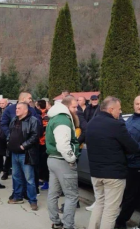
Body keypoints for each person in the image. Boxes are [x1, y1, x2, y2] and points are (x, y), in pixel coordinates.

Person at [86, 97, 140, 229]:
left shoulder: (92, 123)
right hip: (113, 175)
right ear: (111, 109)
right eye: (119, 109)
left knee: (99, 204)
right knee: (111, 211)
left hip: (95, 174)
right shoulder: (116, 125)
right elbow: (133, 147)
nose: (120, 112)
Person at [45, 96, 80, 229]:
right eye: (74, 107)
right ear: (66, 106)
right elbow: (63, 145)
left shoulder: (55, 117)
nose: (76, 110)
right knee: (71, 196)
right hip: (62, 160)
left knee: (53, 193)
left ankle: (56, 221)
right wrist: (71, 158)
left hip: (53, 159)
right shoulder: (63, 119)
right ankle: (68, 225)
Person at [1, 92, 42, 181]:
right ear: (23, 98)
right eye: (29, 98)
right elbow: (4, 124)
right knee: (16, 174)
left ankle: (30, 193)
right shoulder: (9, 110)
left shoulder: (32, 110)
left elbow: (37, 127)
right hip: (14, 146)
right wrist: (9, 137)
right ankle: (16, 192)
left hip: (27, 148)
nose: (31, 100)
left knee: (28, 175)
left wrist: (27, 143)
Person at [7, 103, 39, 211]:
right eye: (16, 108)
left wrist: (23, 146)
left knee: (29, 179)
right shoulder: (14, 119)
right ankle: (18, 196)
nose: (16, 110)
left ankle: (33, 200)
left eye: (19, 108)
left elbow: (35, 136)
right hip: (14, 153)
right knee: (16, 176)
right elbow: (10, 132)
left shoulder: (33, 120)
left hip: (26, 154)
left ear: (25, 110)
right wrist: (9, 141)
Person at [115, 96, 140, 229]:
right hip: (131, 165)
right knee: (130, 196)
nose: (139, 106)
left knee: (132, 197)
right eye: (137, 103)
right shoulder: (129, 120)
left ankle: (121, 221)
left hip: (135, 164)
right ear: (133, 104)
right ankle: (120, 222)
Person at [37, 100, 50, 191]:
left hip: (44, 142)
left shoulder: (45, 115)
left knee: (44, 164)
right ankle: (42, 179)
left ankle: (46, 181)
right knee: (41, 163)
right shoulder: (42, 114)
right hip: (42, 142)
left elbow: (44, 128)